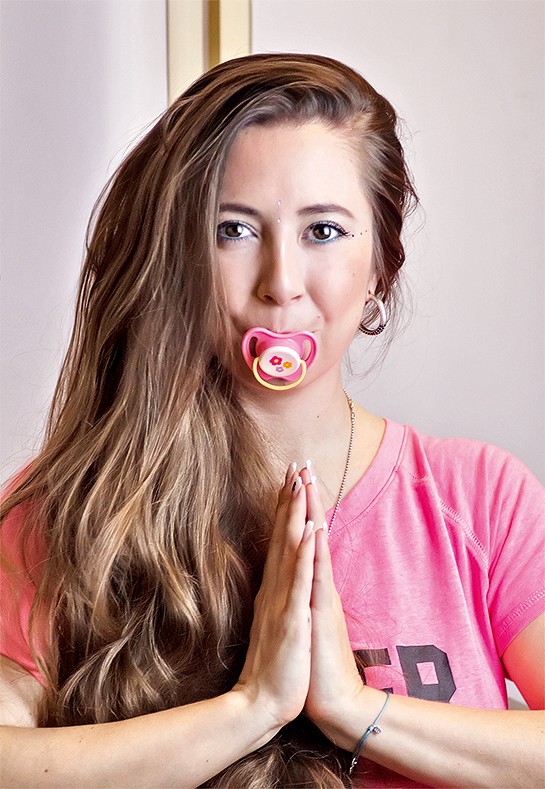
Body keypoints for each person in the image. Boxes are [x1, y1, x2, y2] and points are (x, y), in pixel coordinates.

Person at [0, 52, 543, 789]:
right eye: (233, 229)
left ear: (380, 267)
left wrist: (355, 710)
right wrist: (252, 707)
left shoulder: (480, 498)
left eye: (323, 232)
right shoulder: (74, 505)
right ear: (180, 259)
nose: (280, 283)